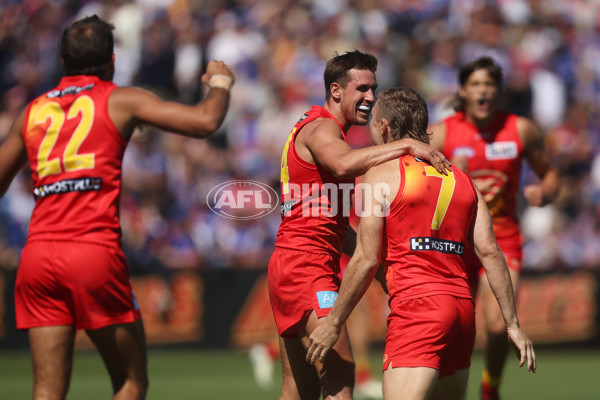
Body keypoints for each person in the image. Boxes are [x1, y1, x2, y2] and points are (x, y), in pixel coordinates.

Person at [0, 15, 234, 400]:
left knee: (46, 391)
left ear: (62, 63)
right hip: (92, 252)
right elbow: (205, 120)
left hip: (38, 255)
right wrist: (221, 82)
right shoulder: (118, 99)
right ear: (111, 60)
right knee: (130, 382)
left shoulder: (32, 111)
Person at [305, 86, 536, 400]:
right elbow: (491, 253)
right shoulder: (463, 179)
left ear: (383, 127)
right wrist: (512, 324)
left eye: (373, 122)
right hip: (461, 314)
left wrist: (333, 322)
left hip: (418, 309)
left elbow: (366, 258)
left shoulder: (381, 173)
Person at [267, 50, 451, 400]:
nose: (370, 98)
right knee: (340, 374)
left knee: (299, 389)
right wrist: (408, 144)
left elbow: (334, 226)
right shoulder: (322, 128)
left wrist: (378, 268)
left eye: (373, 89)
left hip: (294, 262)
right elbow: (342, 165)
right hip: (306, 265)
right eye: (362, 89)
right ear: (336, 91)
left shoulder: (323, 129)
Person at [427, 56, 558, 400]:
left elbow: (550, 173)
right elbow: (416, 181)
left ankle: (490, 389)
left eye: (489, 83)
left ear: (498, 90)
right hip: (455, 243)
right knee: (451, 324)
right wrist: (449, 173)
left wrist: (543, 192)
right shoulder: (442, 132)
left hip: (502, 240)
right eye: (475, 84)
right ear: (462, 90)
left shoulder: (520, 129)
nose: (482, 90)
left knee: (499, 324)